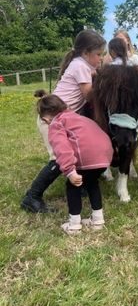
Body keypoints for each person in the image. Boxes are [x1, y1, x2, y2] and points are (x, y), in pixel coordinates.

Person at [21, 29, 106, 213]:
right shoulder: (80, 66)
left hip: (61, 118)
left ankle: (80, 185)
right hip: (51, 120)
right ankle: (32, 197)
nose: (100, 58)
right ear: (85, 53)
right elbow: (89, 95)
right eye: (98, 54)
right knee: (59, 158)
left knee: (74, 151)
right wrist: (102, 83)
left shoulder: (84, 65)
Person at [37, 94, 113, 235]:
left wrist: (70, 171)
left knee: (72, 186)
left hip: (88, 159)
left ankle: (74, 225)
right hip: (104, 158)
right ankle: (97, 220)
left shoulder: (56, 123)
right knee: (92, 183)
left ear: (45, 118)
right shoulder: (78, 117)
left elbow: (62, 149)